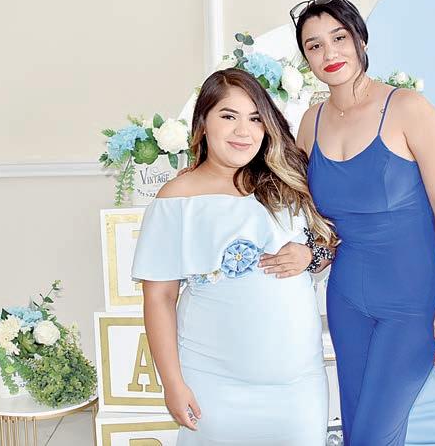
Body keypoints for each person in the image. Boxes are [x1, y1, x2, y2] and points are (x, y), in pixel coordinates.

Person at [260, 0, 435, 445]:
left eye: (339, 38)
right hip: (347, 299)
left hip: (413, 303)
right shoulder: (311, 121)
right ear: (305, 59)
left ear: (360, 39)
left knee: (373, 436)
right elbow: (307, 210)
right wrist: (309, 253)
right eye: (314, 45)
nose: (329, 53)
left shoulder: (409, 109)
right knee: (358, 432)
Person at [131, 68, 338, 445]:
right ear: (203, 123)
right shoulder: (176, 199)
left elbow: (331, 247)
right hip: (213, 384)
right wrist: (172, 383)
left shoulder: (286, 182)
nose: (244, 131)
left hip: (298, 387)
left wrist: (309, 254)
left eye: (255, 118)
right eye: (229, 116)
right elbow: (159, 298)